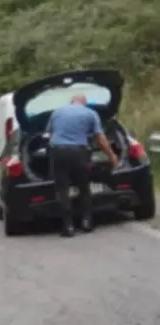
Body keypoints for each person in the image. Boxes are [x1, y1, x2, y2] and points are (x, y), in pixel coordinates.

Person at [47, 94, 118, 237]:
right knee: (84, 187)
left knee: (63, 189)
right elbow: (100, 139)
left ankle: (68, 226)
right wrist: (111, 156)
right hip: (79, 153)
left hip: (58, 152)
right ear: (85, 103)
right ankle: (86, 222)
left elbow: (49, 134)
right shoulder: (91, 114)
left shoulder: (57, 112)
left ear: (71, 101)